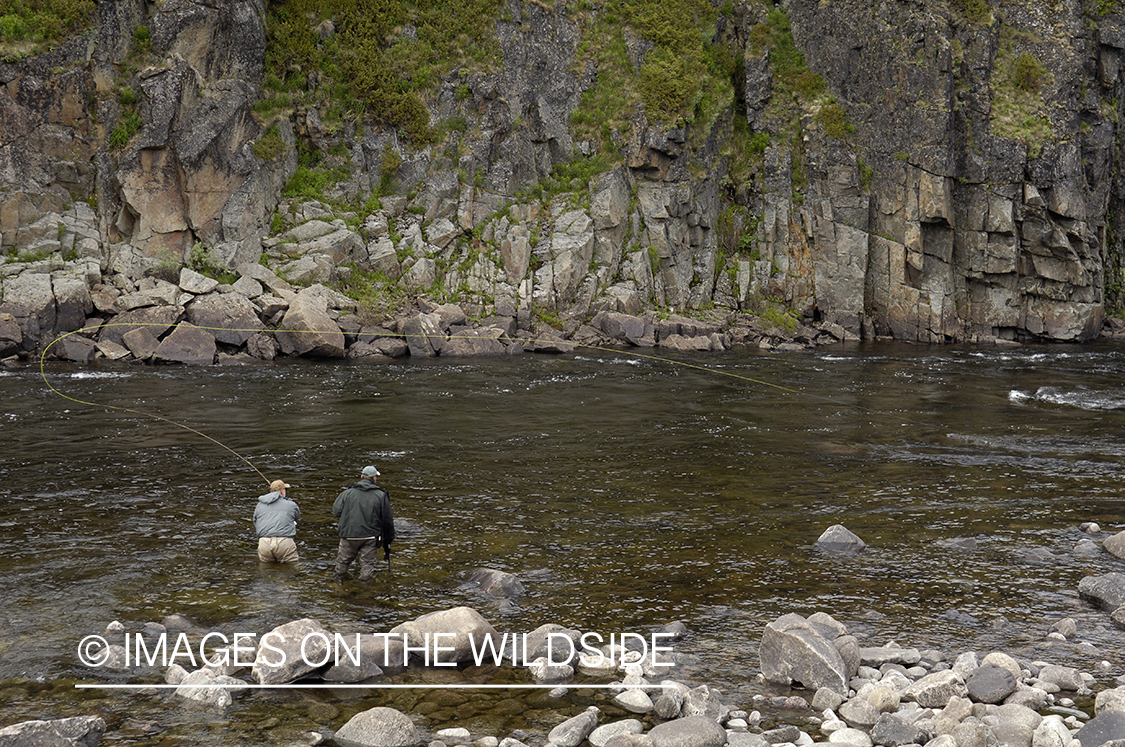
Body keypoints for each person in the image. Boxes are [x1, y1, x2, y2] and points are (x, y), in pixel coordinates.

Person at [332, 465, 395, 581]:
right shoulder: (381, 495)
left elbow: (336, 511)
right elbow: (387, 519)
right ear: (374, 478)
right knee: (367, 565)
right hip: (370, 536)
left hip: (348, 534)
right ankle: (365, 588)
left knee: (342, 563)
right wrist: (389, 538)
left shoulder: (347, 493)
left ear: (361, 477)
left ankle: (340, 586)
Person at [253, 479, 301, 563]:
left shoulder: (259, 505)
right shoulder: (291, 504)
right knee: (292, 567)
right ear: (282, 491)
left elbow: (255, 521)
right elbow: (297, 516)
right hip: (284, 542)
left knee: (266, 568)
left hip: (264, 543)